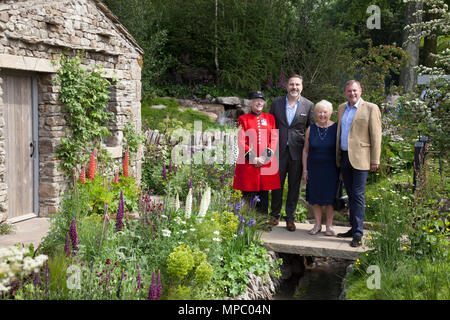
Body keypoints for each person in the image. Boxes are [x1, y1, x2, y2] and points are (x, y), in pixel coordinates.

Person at [336, 80, 382, 247]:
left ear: (360, 91)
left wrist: (375, 159)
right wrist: (339, 160)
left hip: (362, 158)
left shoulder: (371, 108)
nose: (352, 93)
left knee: (358, 195)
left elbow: (376, 136)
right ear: (345, 93)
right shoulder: (342, 108)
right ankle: (352, 227)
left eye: (354, 90)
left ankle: (357, 233)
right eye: (348, 91)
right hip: (345, 158)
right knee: (350, 195)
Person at [268, 74, 314, 231]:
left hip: (298, 151)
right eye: (291, 84)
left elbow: (311, 128)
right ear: (286, 86)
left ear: (302, 87)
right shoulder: (276, 103)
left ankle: (290, 218)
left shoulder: (308, 105)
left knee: (294, 186)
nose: (294, 87)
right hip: (278, 151)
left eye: (297, 85)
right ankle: (274, 216)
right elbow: (269, 126)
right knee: (276, 185)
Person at [232, 91, 280, 215]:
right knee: (248, 192)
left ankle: (262, 222)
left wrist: (264, 157)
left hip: (265, 163)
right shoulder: (243, 119)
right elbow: (241, 140)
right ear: (250, 103)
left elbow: (274, 138)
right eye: (256, 100)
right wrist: (253, 158)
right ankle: (247, 221)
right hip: (249, 163)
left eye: (261, 100)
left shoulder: (270, 118)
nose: (259, 102)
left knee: (264, 193)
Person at [302, 100, 339, 236]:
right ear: (315, 113)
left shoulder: (336, 128)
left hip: (332, 169)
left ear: (330, 113)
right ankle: (317, 225)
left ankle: (329, 226)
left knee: (330, 198)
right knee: (315, 198)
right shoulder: (310, 129)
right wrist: (305, 170)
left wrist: (341, 170)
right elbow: (305, 151)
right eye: (319, 112)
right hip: (314, 168)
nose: (322, 115)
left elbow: (340, 150)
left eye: (325, 112)